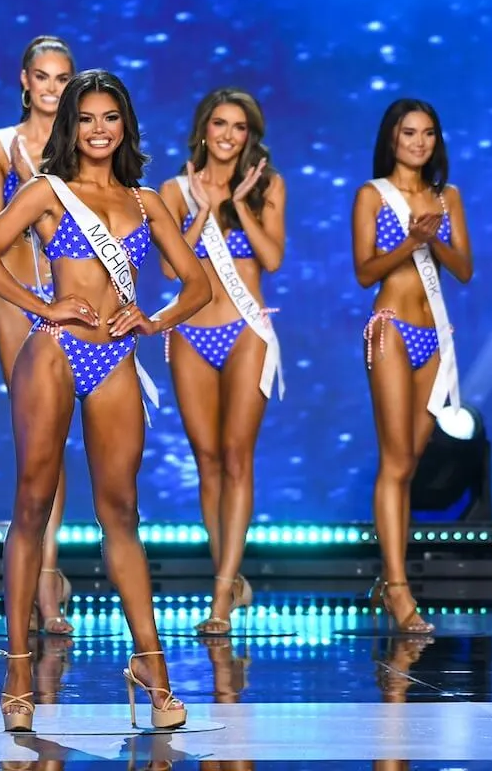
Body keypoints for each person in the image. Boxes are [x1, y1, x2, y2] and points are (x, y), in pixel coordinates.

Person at [0, 69, 211, 731]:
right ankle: (18, 665)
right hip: (53, 351)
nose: (99, 130)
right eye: (86, 119)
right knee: (33, 505)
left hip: (115, 357)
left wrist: (154, 320)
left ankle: (150, 665)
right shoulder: (48, 193)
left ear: (125, 124)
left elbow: (197, 286)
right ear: (69, 127)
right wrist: (41, 304)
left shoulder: (146, 200)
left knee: (122, 512)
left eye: (110, 118)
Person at [158, 88, 286, 635]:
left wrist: (236, 205)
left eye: (239, 126)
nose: (228, 135)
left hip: (246, 331)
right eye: (219, 124)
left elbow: (273, 258)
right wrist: (202, 213)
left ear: (249, 134)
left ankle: (220, 596)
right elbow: (169, 273)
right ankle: (227, 576)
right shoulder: (173, 189)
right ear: (203, 129)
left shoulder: (268, 187)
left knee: (237, 457)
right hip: (190, 332)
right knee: (206, 459)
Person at [351, 98, 473, 634]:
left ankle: (390, 578)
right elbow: (364, 271)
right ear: (391, 139)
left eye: (428, 133)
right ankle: (398, 588)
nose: (419, 143)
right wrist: (411, 240)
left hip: (435, 335)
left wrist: (435, 240)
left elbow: (465, 269)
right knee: (395, 458)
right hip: (392, 328)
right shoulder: (372, 195)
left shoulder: (448, 198)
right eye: (408, 133)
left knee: (411, 461)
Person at [0, 35, 76, 634]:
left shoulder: (84, 146)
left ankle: (49, 579)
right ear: (24, 80)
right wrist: (28, 181)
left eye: (63, 78)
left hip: (69, 303)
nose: (51, 88)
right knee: (31, 437)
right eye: (42, 77)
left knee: (59, 441)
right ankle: (33, 574)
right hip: (18, 299)